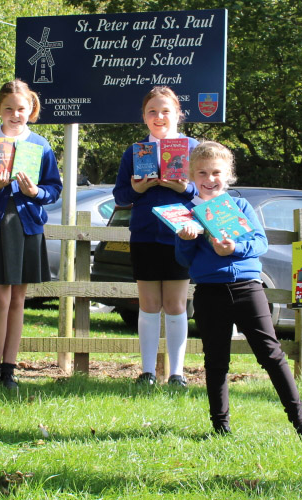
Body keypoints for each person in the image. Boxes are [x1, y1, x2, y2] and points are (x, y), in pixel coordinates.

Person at [173, 141, 302, 442]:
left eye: (216, 172)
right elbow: (182, 259)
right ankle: (220, 427)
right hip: (209, 292)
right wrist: (186, 240)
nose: (210, 178)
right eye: (202, 172)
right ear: (191, 175)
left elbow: (260, 243)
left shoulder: (239, 207)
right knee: (216, 360)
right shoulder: (186, 214)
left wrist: (234, 249)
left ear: (228, 175)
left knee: (272, 354)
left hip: (247, 289)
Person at [0, 80, 62, 389]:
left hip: (27, 226)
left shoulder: (41, 145)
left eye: (22, 109)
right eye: (9, 108)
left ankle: (9, 371)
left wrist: (36, 192)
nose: (16, 115)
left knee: (18, 299)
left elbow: (53, 189)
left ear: (31, 108)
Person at [112, 86, 198, 386]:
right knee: (148, 305)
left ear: (178, 114)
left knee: (176, 306)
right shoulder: (135, 151)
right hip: (145, 236)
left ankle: (177, 374)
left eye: (165, 111)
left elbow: (207, 191)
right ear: (144, 116)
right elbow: (120, 195)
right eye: (152, 111)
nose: (159, 117)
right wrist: (137, 189)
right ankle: (147, 373)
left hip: (180, 235)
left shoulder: (193, 148)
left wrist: (184, 188)